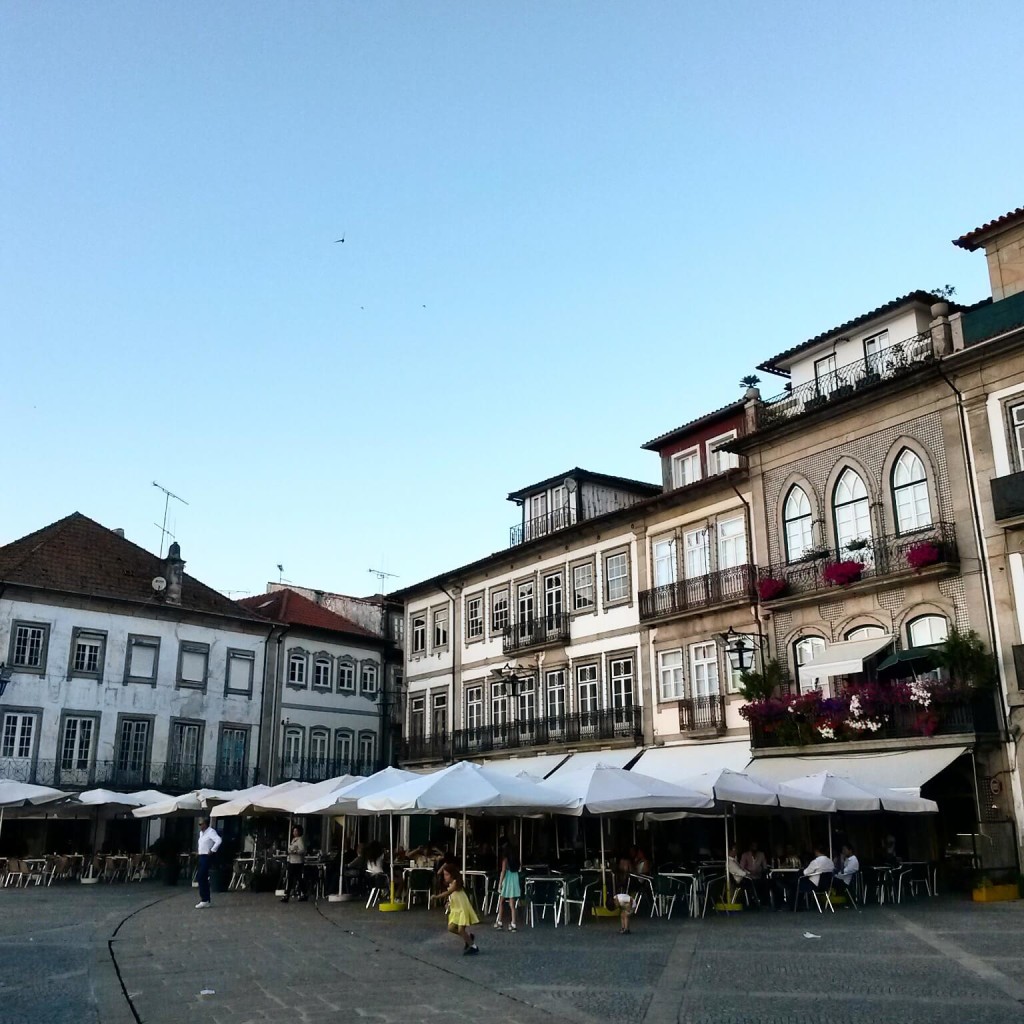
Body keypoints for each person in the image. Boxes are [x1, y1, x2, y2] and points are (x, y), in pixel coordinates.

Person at [431, 863, 479, 955]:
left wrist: (436, 897)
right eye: (444, 874)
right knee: (451, 928)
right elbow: (453, 896)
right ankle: (468, 937)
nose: (445, 877)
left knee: (461, 929)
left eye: (447, 874)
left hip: (462, 908)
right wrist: (448, 904)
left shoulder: (456, 883)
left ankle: (473, 946)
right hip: (456, 908)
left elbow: (448, 892)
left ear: (452, 874)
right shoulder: (451, 884)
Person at [195, 817, 222, 909]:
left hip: (207, 856)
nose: (199, 826)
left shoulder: (211, 832)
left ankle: (205, 899)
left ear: (205, 824)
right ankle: (206, 899)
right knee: (202, 877)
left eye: (201, 824)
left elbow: (218, 840)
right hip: (201, 855)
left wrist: (213, 850)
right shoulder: (201, 833)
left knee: (201, 876)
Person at [494, 843, 521, 932]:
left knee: (501, 901)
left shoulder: (505, 860)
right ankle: (513, 923)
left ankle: (500, 922)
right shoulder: (516, 860)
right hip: (514, 878)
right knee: (512, 903)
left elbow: (503, 871)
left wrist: (500, 883)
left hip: (507, 879)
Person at [739, 841, 768, 905]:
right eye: (753, 846)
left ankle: (763, 902)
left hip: (759, 876)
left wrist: (761, 872)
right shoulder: (745, 855)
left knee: (766, 883)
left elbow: (765, 867)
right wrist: (749, 872)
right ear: (750, 847)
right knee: (751, 883)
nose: (754, 847)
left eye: (756, 846)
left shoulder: (761, 854)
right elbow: (741, 867)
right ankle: (753, 901)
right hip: (748, 877)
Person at [281, 826, 306, 902]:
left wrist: (295, 852)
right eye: (293, 831)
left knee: (296, 878)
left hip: (297, 862)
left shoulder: (300, 840)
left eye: (296, 831)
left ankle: (289, 894)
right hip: (292, 861)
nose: (294, 833)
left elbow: (302, 850)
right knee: (292, 878)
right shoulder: (293, 840)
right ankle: (288, 894)